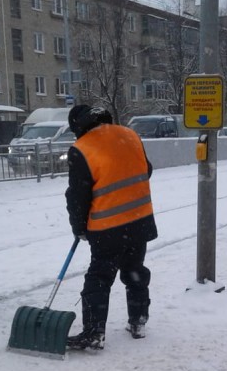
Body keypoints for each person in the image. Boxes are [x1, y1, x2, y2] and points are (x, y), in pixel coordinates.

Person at [64, 104, 157, 350]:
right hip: (139, 219)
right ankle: (138, 322)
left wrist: (79, 227)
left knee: (99, 278)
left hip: (107, 227)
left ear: (78, 126)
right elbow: (146, 170)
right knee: (134, 270)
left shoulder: (81, 148)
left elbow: (78, 196)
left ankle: (94, 332)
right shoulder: (130, 134)